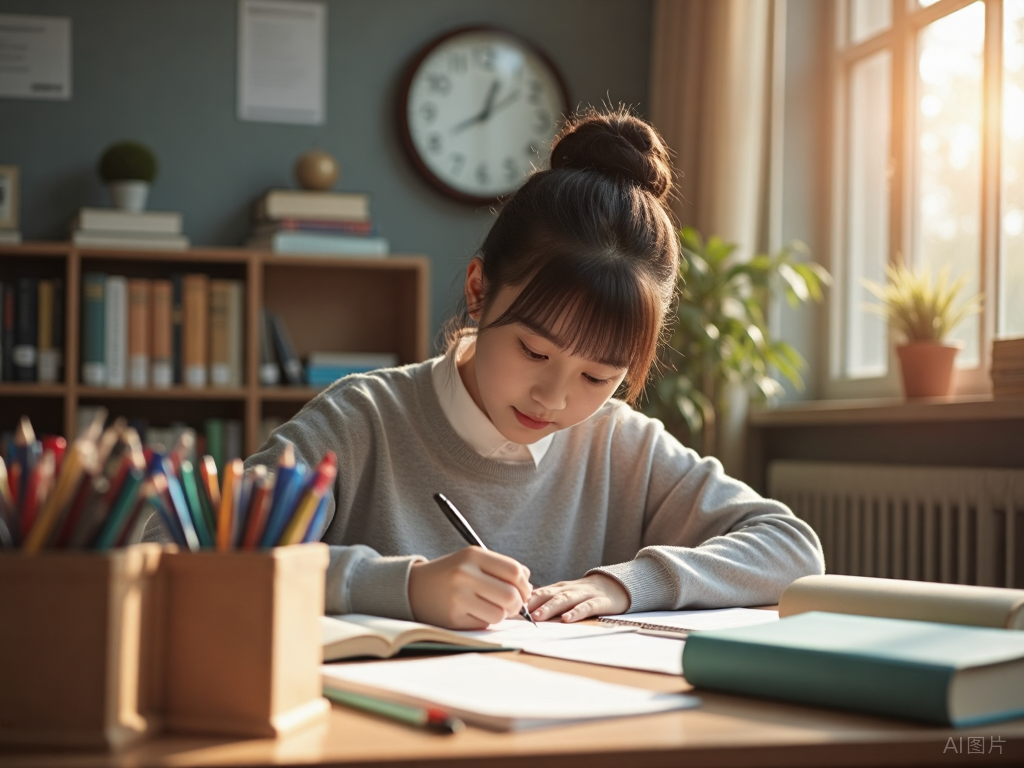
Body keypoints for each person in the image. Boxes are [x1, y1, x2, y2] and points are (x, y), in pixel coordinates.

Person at [243, 107, 825, 629]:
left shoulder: (622, 445)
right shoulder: (359, 420)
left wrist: (626, 584)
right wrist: (405, 587)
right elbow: (211, 550)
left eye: (598, 377)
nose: (553, 398)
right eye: (535, 352)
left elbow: (792, 548)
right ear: (478, 290)